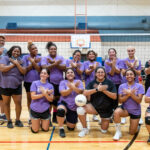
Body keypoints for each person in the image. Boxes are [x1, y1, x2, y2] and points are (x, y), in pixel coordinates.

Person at [77, 67, 117, 137]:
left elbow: (114, 96)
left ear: (104, 74)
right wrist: (96, 89)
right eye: (98, 72)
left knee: (104, 131)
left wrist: (104, 90)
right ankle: (84, 128)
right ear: (95, 74)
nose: (100, 74)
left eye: (102, 72)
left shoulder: (110, 83)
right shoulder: (92, 83)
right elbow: (85, 93)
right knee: (80, 109)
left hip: (106, 109)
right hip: (94, 107)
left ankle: (104, 118)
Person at [113, 69, 144, 141]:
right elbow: (120, 101)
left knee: (132, 132)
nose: (129, 76)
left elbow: (139, 101)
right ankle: (118, 132)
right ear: (125, 76)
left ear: (134, 76)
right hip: (125, 109)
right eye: (127, 74)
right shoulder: (121, 86)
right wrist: (128, 94)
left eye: (131, 74)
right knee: (116, 112)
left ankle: (135, 125)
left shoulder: (139, 86)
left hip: (135, 111)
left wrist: (131, 94)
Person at [0, 46, 26, 128]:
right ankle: (9, 121)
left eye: (18, 51)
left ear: (20, 53)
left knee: (18, 103)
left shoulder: (21, 61)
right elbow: (2, 69)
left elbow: (24, 71)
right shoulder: (5, 58)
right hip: (5, 85)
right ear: (11, 51)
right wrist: (13, 65)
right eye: (15, 51)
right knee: (6, 103)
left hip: (17, 85)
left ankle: (17, 120)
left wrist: (17, 64)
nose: (16, 53)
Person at [41, 41, 66, 123]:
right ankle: (48, 117)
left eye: (54, 49)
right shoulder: (45, 58)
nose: (53, 50)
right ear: (48, 50)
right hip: (49, 82)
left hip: (60, 82)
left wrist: (53, 63)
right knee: (50, 100)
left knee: (58, 100)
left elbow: (64, 68)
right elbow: (45, 68)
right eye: (51, 49)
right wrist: (56, 63)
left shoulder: (61, 57)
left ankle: (55, 116)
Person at [57, 68, 84, 137]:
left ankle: (66, 119)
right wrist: (74, 87)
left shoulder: (78, 81)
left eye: (71, 72)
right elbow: (63, 93)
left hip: (74, 105)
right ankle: (61, 128)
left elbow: (80, 92)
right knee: (60, 110)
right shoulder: (63, 82)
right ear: (66, 75)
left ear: (74, 74)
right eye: (68, 73)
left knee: (71, 128)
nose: (70, 74)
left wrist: (72, 87)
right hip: (64, 103)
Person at [120, 46, 142, 124]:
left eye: (132, 50)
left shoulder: (138, 61)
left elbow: (139, 73)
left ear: (134, 51)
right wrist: (130, 67)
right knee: (124, 98)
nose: (130, 52)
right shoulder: (124, 61)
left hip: (135, 83)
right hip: (125, 83)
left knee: (136, 98)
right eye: (129, 51)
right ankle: (123, 116)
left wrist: (133, 68)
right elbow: (123, 72)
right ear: (127, 51)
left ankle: (138, 115)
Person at [30, 68, 54, 133]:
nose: (43, 74)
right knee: (35, 130)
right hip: (35, 109)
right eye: (41, 73)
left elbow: (51, 99)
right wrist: (44, 93)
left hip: (45, 110)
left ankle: (42, 122)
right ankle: (34, 122)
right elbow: (33, 97)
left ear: (48, 75)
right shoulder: (34, 83)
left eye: (45, 73)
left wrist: (45, 93)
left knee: (45, 129)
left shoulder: (50, 86)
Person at [23, 42, 41, 124]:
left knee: (38, 99)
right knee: (30, 99)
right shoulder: (25, 57)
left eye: (36, 48)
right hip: (28, 81)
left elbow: (39, 70)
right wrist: (32, 62)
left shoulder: (40, 58)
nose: (35, 50)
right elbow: (24, 70)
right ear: (29, 50)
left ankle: (38, 115)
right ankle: (31, 116)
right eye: (33, 48)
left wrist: (33, 62)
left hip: (38, 82)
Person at [84, 50, 102, 121]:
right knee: (88, 100)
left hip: (96, 83)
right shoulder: (85, 63)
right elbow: (87, 73)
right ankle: (85, 113)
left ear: (95, 56)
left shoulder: (98, 63)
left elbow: (101, 73)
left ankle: (95, 115)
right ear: (88, 56)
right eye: (90, 54)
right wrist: (93, 69)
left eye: (93, 54)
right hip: (88, 83)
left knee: (97, 99)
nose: (91, 55)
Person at [0, 36, 7, 121]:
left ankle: (3, 114)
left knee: (2, 97)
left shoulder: (5, 51)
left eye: (3, 41)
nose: (1, 42)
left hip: (2, 77)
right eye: (0, 40)